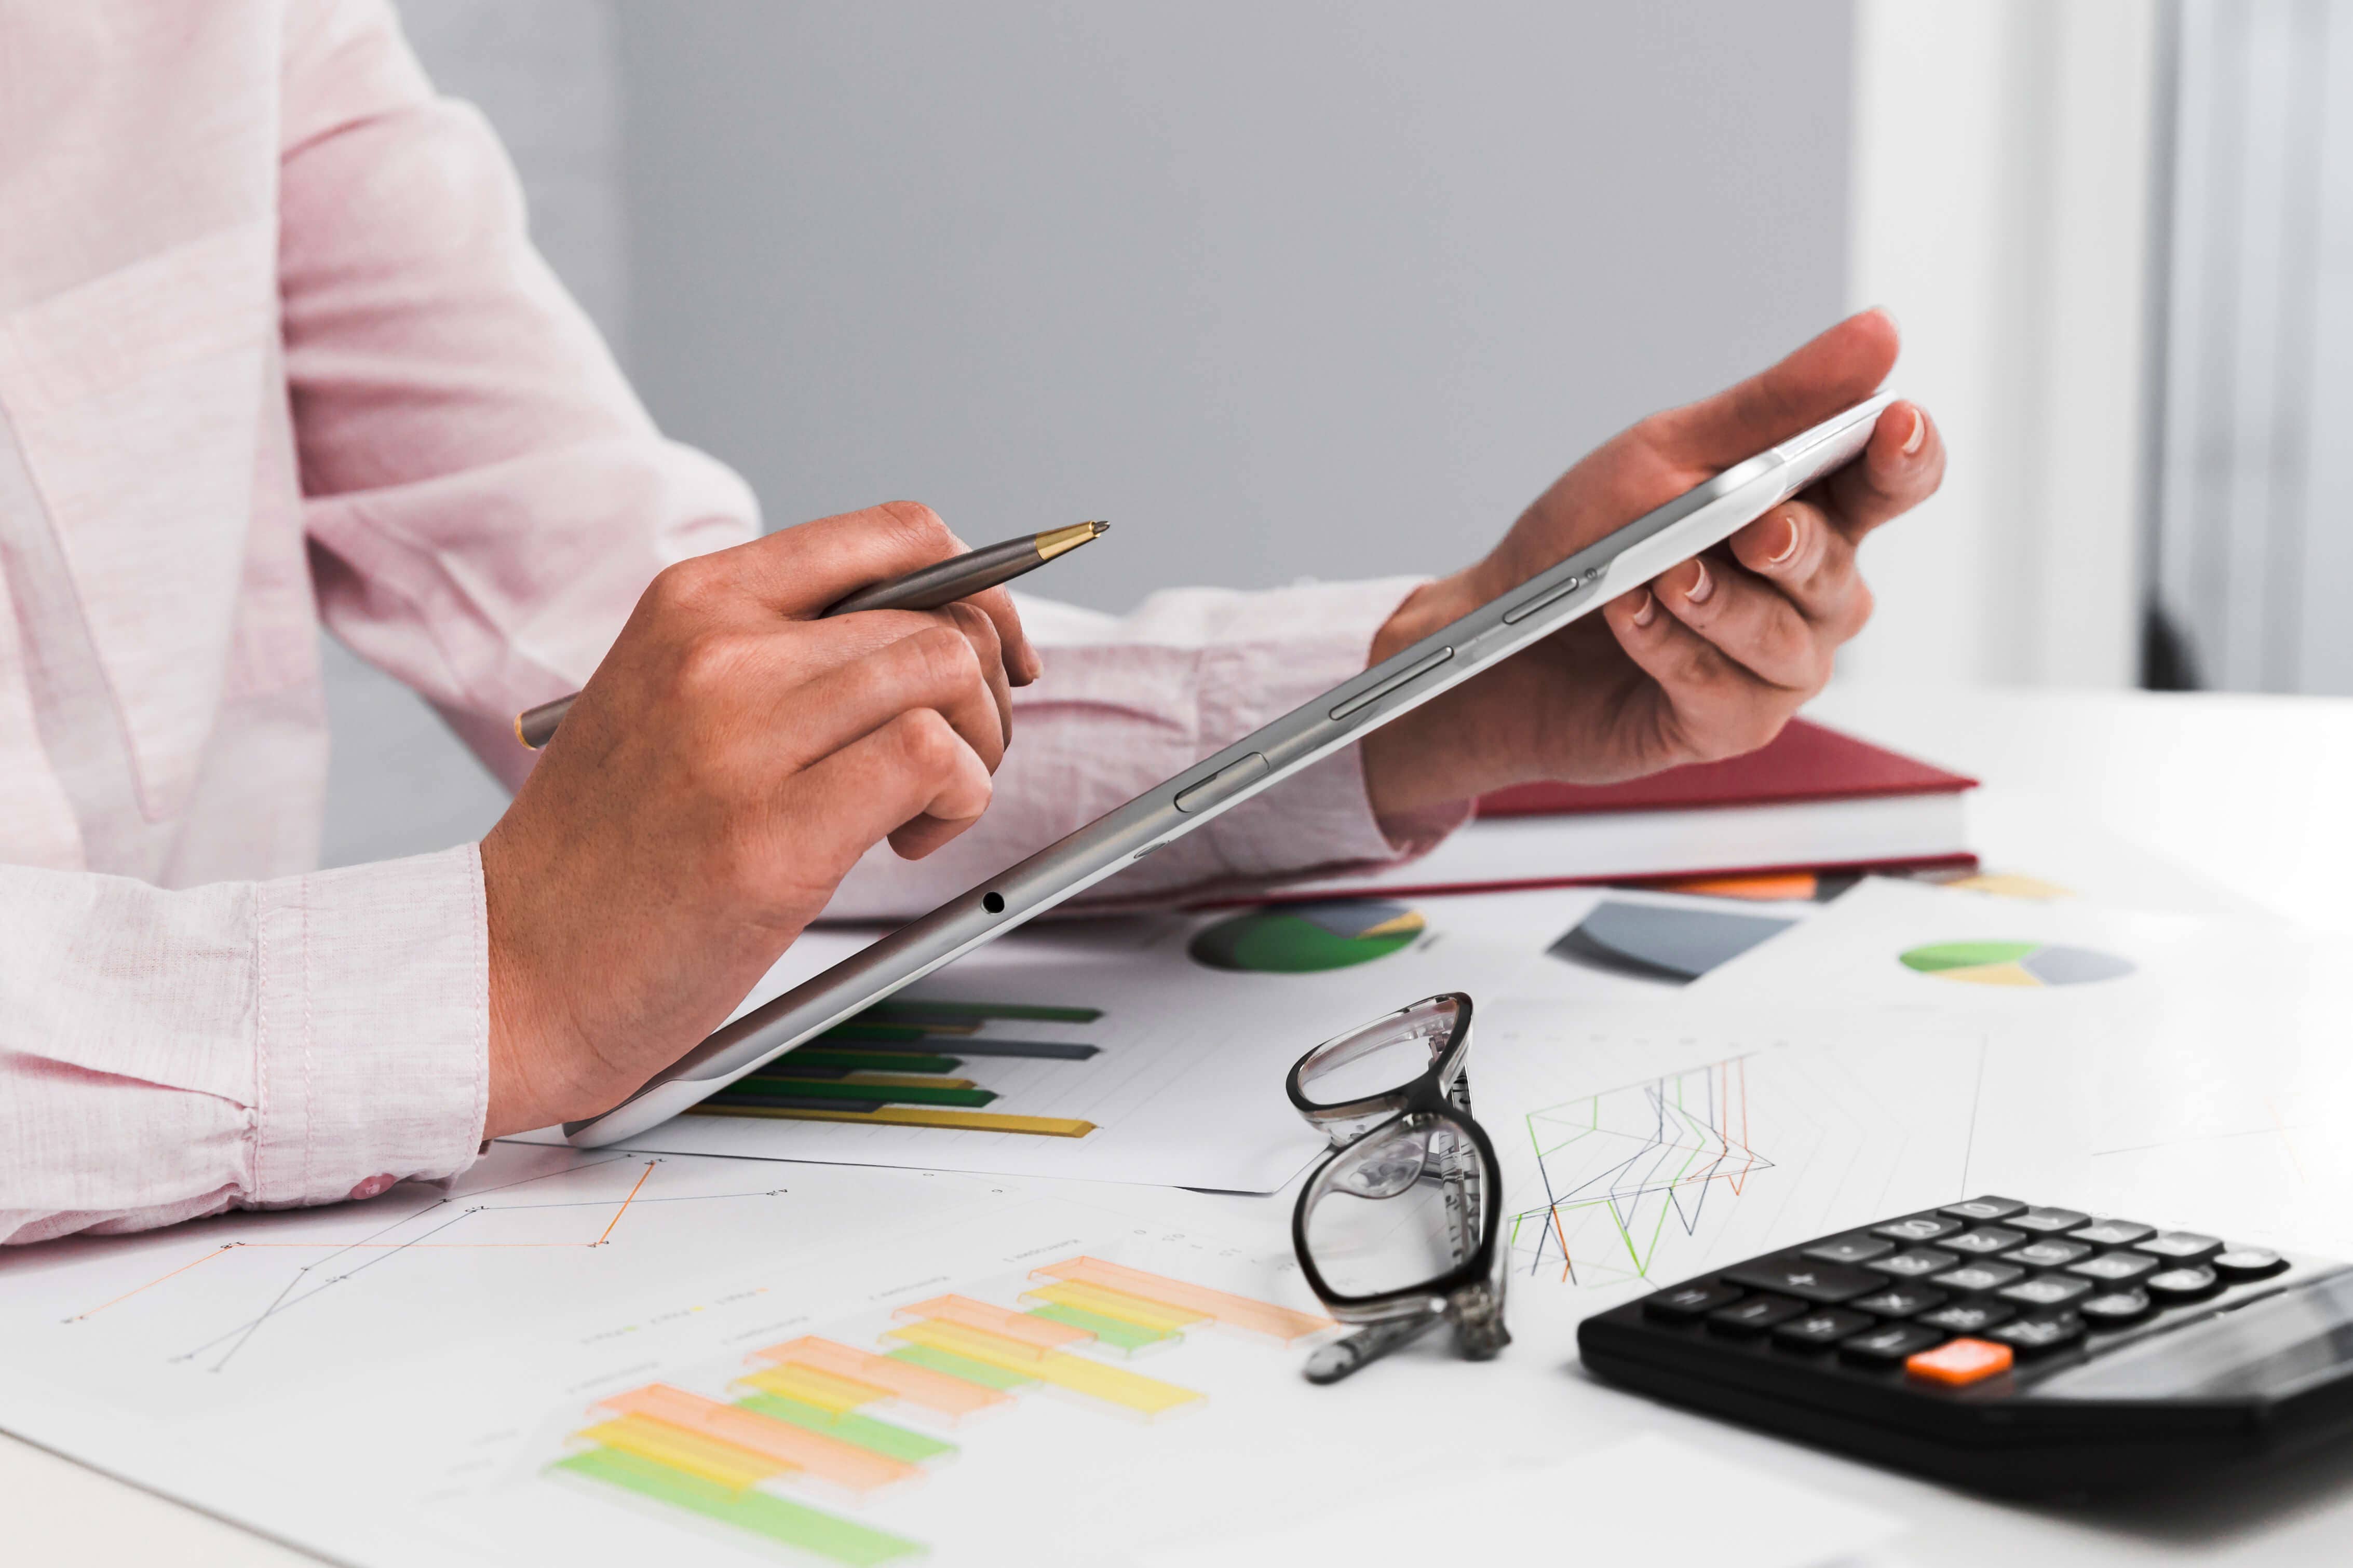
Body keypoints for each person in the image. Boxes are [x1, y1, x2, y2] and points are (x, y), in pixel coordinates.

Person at [0, 2, 1943, 1245]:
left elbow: (641, 652)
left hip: (213, 1279)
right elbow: (575, 917)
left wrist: (1437, 676)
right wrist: (500, 983)